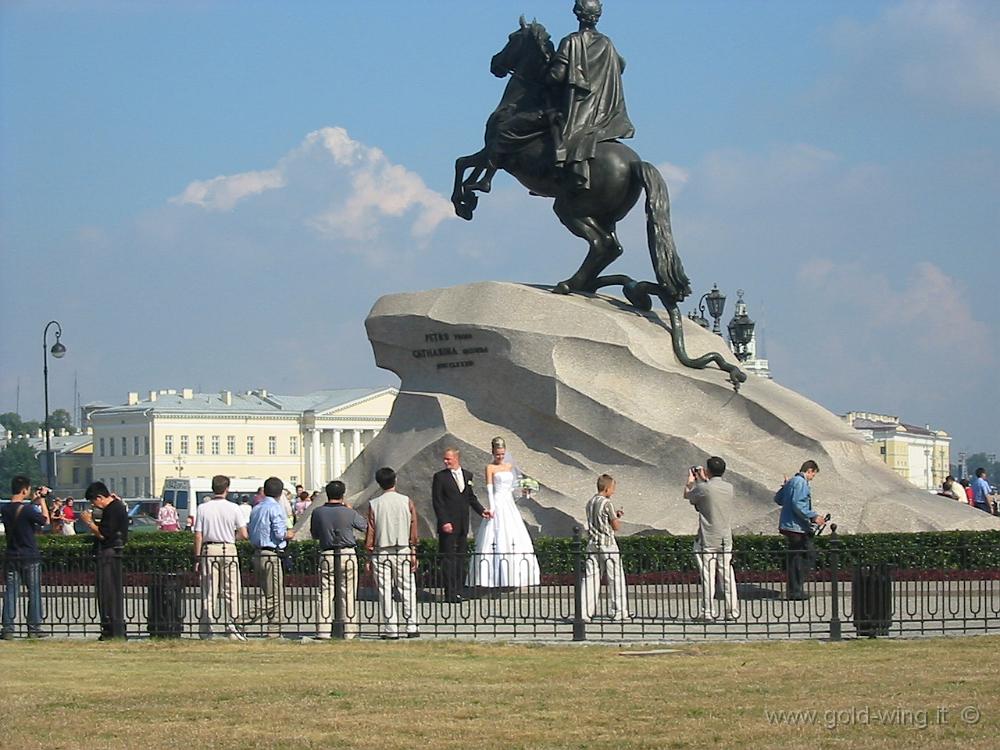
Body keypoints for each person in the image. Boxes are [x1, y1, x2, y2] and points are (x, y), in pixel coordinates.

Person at [547, 0, 634, 191]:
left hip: (579, 111)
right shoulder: (607, 43)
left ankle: (558, 168)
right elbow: (621, 65)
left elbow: (557, 76)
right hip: (605, 114)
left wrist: (546, 69)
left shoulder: (571, 41)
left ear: (577, 13)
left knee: (550, 122)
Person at [467, 437, 540, 589]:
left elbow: (513, 487)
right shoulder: (490, 468)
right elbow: (489, 488)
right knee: (495, 535)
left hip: (509, 502)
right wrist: (492, 507)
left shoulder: (509, 466)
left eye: (502, 454)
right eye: (497, 454)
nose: (500, 457)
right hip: (498, 500)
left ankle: (514, 575)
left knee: (514, 534)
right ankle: (493, 577)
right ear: (493, 453)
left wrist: (525, 490)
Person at [432, 447, 493, 603]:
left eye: (449, 459)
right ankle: (449, 593)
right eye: (445, 459)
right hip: (448, 525)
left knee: (460, 558)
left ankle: (458, 590)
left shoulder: (467, 475)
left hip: (462, 523)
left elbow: (470, 497)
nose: (446, 461)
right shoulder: (440, 477)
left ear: (457, 458)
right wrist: (444, 521)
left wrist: (482, 511)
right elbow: (438, 502)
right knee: (448, 559)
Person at [365, 468, 420, 639]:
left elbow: (371, 532)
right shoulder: (407, 501)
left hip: (382, 550)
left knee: (385, 590)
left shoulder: (374, 504)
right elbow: (413, 527)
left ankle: (391, 628)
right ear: (395, 480)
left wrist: (368, 554)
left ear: (379, 483)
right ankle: (412, 625)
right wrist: (413, 550)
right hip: (403, 548)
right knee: (408, 588)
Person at [193, 475, 248, 640]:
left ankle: (206, 627)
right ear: (227, 489)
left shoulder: (203, 508)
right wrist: (232, 538)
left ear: (213, 488)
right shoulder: (234, 508)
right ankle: (232, 627)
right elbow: (244, 534)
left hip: (210, 548)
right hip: (228, 547)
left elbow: (198, 535)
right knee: (231, 590)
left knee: (209, 590)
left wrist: (197, 558)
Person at [311, 480, 367, 640]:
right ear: (343, 495)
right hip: (347, 553)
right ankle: (349, 630)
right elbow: (365, 526)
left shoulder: (318, 512)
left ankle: (323, 630)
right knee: (348, 592)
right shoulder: (348, 512)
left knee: (325, 592)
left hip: (327, 552)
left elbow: (315, 534)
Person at [685, 457, 738, 622]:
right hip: (724, 537)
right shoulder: (729, 488)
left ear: (707, 470)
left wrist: (691, 481)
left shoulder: (703, 488)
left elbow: (689, 496)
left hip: (708, 538)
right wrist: (704, 479)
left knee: (708, 575)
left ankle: (707, 612)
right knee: (727, 575)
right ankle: (732, 611)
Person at [1, 476, 50, 639]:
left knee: (11, 592)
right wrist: (42, 500)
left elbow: (19, 510)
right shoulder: (28, 510)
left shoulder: (5, 509)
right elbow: (45, 520)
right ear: (24, 490)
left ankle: (8, 627)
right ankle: (34, 626)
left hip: (12, 555)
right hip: (29, 554)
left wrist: (33, 500)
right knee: (34, 591)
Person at [80, 481, 129, 639]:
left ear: (100, 497)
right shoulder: (116, 507)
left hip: (109, 554)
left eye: (93, 501)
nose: (94, 505)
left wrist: (89, 522)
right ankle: (110, 626)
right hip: (111, 553)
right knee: (108, 592)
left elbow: (104, 534)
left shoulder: (113, 509)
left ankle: (111, 627)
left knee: (108, 592)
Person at [247, 477, 295, 638]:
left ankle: (274, 629)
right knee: (274, 596)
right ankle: (240, 620)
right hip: (271, 553)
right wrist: (289, 534)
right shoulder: (275, 508)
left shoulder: (256, 508)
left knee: (273, 593)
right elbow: (280, 533)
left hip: (258, 553)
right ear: (281, 493)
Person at [774, 460, 826, 601]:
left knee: (795, 558)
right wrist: (814, 516)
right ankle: (796, 590)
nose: (812, 478)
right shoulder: (801, 482)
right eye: (813, 475)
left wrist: (785, 487)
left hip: (787, 525)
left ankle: (793, 590)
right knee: (805, 557)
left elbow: (778, 499)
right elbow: (798, 504)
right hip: (796, 527)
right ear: (809, 470)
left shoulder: (792, 481)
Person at [582, 473, 628, 622]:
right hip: (607, 543)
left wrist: (614, 516)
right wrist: (616, 518)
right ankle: (619, 611)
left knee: (591, 578)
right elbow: (615, 526)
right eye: (613, 488)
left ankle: (584, 612)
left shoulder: (590, 502)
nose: (613, 492)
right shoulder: (607, 503)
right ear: (608, 488)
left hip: (593, 543)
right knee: (615, 577)